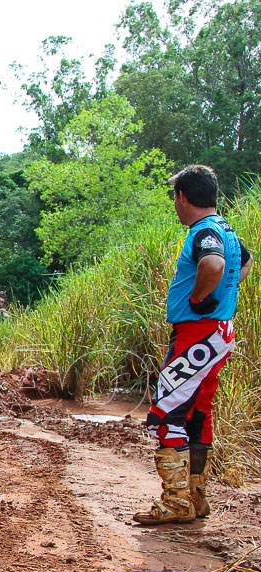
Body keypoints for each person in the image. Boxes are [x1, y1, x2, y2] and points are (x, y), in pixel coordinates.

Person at [135, 165, 253, 525]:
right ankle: (196, 496)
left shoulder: (204, 233)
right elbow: (245, 262)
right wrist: (223, 299)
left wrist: (202, 297)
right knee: (198, 414)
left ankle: (176, 501)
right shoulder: (226, 230)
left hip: (197, 333)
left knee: (168, 413)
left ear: (182, 197)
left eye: (175, 198)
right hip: (219, 333)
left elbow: (214, 264)